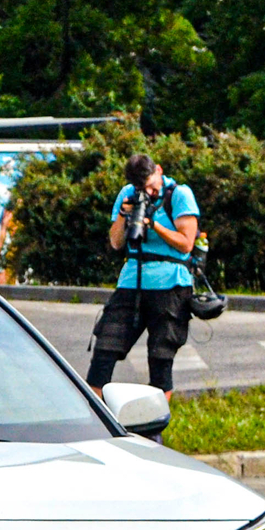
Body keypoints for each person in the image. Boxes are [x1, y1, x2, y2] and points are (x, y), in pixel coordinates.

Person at [90, 153, 203, 396]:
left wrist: (154, 224)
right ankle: (97, 419)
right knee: (104, 351)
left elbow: (186, 244)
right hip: (132, 280)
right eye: (143, 188)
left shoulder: (180, 195)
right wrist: (124, 214)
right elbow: (116, 242)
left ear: (159, 171)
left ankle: (155, 428)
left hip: (171, 284)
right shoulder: (127, 194)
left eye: (152, 187)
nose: (149, 193)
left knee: (160, 358)